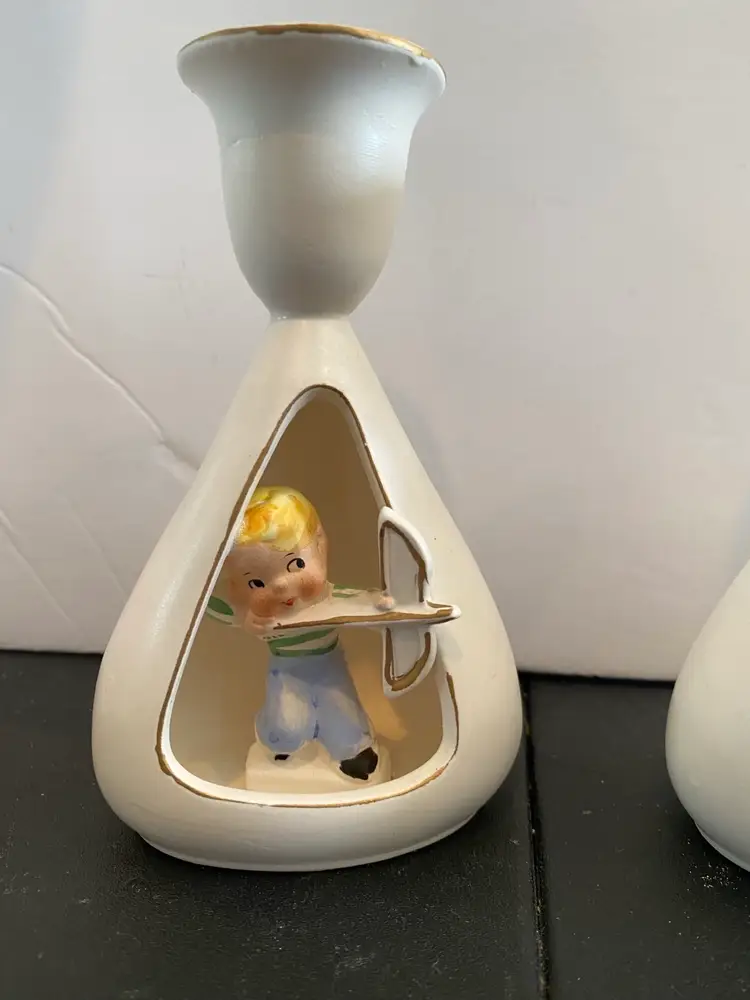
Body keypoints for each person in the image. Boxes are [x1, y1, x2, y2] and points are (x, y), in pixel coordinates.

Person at [225, 486, 390, 781]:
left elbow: (360, 602)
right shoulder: (263, 616)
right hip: (286, 671)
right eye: (256, 583)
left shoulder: (329, 598)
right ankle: (277, 740)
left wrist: (381, 604)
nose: (280, 586)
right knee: (287, 725)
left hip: (329, 667)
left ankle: (353, 753)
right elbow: (210, 609)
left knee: (344, 717)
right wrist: (246, 618)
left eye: (296, 564)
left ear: (321, 548)